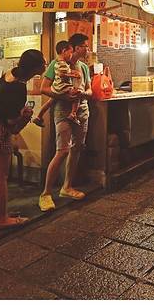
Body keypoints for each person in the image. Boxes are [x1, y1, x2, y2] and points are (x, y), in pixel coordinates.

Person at [0, 49, 46, 229]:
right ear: (35, 68)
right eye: (43, 64)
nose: (45, 66)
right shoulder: (18, 87)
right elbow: (12, 123)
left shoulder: (11, 74)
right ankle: (1, 219)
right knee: (0, 177)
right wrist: (25, 116)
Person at [39, 33, 92, 211]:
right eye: (85, 46)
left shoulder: (83, 67)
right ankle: (45, 193)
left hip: (82, 111)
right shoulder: (57, 64)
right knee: (62, 151)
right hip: (62, 111)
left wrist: (83, 94)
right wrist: (63, 96)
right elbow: (44, 88)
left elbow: (90, 91)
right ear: (75, 48)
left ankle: (67, 187)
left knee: (77, 148)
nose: (88, 50)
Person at [33, 40, 81, 127]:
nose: (72, 55)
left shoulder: (60, 62)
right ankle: (73, 114)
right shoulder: (59, 63)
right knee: (77, 95)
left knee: (50, 101)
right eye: (71, 52)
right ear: (64, 51)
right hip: (62, 88)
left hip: (56, 87)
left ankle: (39, 116)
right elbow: (62, 74)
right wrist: (74, 75)